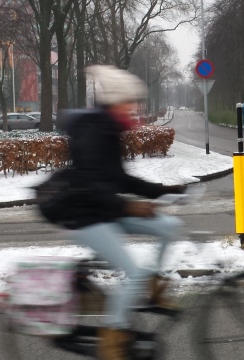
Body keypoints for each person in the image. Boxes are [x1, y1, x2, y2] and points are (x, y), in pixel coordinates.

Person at [39, 65, 186, 360]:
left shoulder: (109, 130)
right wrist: (129, 206)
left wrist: (164, 190)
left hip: (105, 210)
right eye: (130, 103)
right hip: (85, 217)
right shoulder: (93, 131)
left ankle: (154, 290)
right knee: (133, 273)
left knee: (169, 226)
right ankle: (113, 338)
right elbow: (91, 183)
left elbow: (120, 179)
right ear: (116, 102)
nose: (135, 109)